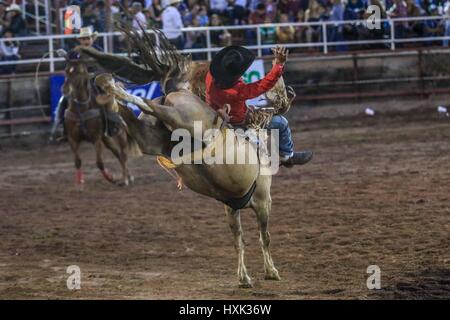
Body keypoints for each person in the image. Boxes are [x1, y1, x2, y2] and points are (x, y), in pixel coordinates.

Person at [205, 45, 313, 167]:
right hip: (239, 126)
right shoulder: (237, 91)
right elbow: (262, 85)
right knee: (280, 123)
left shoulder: (210, 77)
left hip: (217, 122)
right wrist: (278, 65)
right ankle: (286, 156)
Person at [50, 26, 101, 142]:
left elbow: (103, 66)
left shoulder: (98, 51)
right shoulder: (74, 52)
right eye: (83, 39)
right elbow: (70, 64)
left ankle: (111, 123)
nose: (86, 41)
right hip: (78, 83)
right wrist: (65, 56)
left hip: (94, 80)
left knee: (106, 97)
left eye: (87, 38)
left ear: (92, 39)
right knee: (64, 100)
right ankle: (62, 127)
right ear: (80, 41)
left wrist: (93, 75)